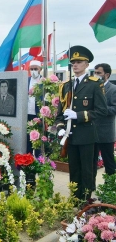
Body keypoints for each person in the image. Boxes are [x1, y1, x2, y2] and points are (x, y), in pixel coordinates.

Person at [54, 45, 107, 201]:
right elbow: (60, 114)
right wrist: (60, 128)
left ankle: (86, 199)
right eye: (73, 62)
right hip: (71, 136)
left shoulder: (94, 85)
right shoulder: (65, 86)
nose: (75, 65)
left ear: (86, 64)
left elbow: (101, 111)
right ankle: (75, 198)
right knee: (74, 169)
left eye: (79, 62)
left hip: (87, 135)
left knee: (87, 169)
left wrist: (78, 115)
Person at [92, 63, 116, 186]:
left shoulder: (113, 89)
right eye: (95, 72)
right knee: (91, 163)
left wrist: (101, 109)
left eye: (99, 73)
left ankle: (109, 190)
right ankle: (89, 190)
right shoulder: (92, 87)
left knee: (109, 163)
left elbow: (114, 109)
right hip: (91, 132)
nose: (96, 75)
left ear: (106, 74)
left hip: (106, 133)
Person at [27, 60, 42, 156]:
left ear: (40, 69)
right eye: (31, 69)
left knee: (37, 139)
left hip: (38, 115)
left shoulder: (44, 81)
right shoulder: (26, 80)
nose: (33, 71)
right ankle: (27, 159)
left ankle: (38, 159)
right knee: (27, 138)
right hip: (27, 114)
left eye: (35, 69)